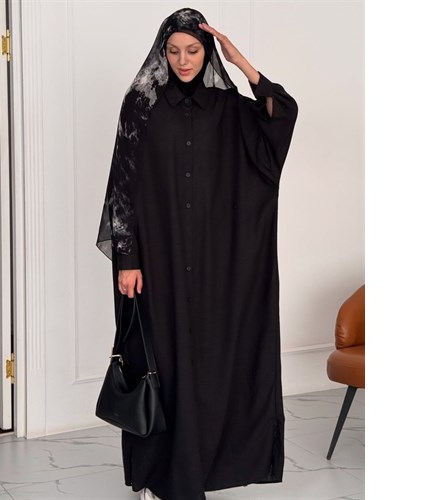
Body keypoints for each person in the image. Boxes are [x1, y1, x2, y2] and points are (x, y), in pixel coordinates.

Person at [96, 7, 298, 500]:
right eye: (174, 51)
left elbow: (283, 115)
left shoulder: (229, 108)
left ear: (207, 53)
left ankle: (201, 469)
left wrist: (242, 63)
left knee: (208, 363)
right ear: (161, 53)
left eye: (193, 50)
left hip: (214, 262)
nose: (183, 60)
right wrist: (127, 258)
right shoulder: (141, 105)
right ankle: (156, 474)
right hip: (156, 259)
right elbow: (123, 185)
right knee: (158, 361)